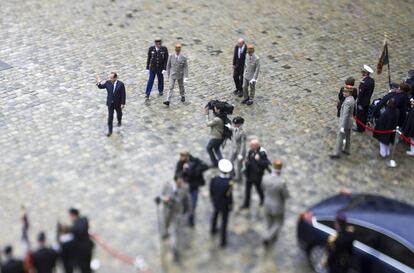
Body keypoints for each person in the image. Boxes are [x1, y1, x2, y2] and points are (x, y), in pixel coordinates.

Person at [160, 176, 191, 262]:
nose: (180, 184)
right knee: (166, 223)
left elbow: (187, 199)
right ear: (175, 181)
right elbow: (161, 195)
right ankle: (165, 232)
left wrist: (188, 211)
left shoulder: (185, 188)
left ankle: (176, 249)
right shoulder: (167, 186)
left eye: (181, 182)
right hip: (167, 211)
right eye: (179, 182)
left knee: (177, 231)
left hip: (177, 212)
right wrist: (164, 199)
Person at [175, 151, 209, 227]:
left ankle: (191, 220)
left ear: (187, 156)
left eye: (182, 156)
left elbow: (205, 166)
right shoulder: (180, 163)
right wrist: (182, 172)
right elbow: (177, 173)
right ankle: (184, 212)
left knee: (193, 205)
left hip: (194, 187)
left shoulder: (195, 161)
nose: (180, 158)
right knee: (184, 203)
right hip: (184, 188)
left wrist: (192, 169)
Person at [262, 160, 289, 247]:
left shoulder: (265, 178)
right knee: (278, 222)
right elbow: (285, 195)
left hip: (267, 203)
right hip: (277, 206)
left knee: (269, 221)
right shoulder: (281, 182)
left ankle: (271, 234)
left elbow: (263, 188)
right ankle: (268, 237)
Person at [60, 208, 94, 273]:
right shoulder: (77, 223)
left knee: (85, 269)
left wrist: (68, 229)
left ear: (73, 215)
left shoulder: (82, 221)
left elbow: (78, 230)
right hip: (80, 252)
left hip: (84, 251)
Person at [210, 159, 234, 247]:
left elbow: (211, 191)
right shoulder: (229, 183)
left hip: (216, 201)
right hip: (224, 205)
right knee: (224, 221)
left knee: (215, 215)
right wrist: (231, 205)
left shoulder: (214, 179)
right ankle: (223, 240)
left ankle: (212, 229)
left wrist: (213, 199)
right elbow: (229, 196)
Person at [241, 139, 270, 209]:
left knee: (259, 189)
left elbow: (266, 164)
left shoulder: (262, 153)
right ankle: (246, 204)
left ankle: (263, 199)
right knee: (247, 191)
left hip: (257, 176)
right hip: (249, 174)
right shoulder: (251, 151)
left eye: (251, 145)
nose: (250, 146)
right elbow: (249, 159)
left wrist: (259, 160)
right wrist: (246, 162)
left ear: (256, 146)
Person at [96, 72, 126, 137]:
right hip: (110, 103)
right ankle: (110, 131)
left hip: (118, 103)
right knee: (110, 117)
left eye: (111, 78)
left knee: (119, 114)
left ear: (115, 78)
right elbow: (101, 87)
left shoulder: (121, 84)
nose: (110, 79)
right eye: (110, 77)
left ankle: (119, 121)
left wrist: (123, 103)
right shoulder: (108, 83)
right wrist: (98, 82)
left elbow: (123, 94)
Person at [330, 87, 355, 159]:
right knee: (348, 136)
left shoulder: (347, 102)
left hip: (345, 123)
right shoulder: (352, 98)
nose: (343, 93)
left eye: (345, 92)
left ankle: (337, 153)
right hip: (350, 121)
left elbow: (345, 115)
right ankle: (347, 149)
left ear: (349, 93)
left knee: (340, 137)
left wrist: (342, 126)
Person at [354, 65, 375, 132]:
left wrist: (358, 101)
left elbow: (360, 94)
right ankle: (363, 126)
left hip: (362, 102)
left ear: (366, 73)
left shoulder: (363, 83)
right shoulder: (372, 80)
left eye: (363, 72)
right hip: (367, 100)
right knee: (365, 115)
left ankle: (359, 128)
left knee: (360, 116)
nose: (361, 73)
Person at [205, 103, 225, 167]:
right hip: (221, 137)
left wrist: (206, 114)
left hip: (216, 137)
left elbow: (208, 124)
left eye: (215, 108)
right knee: (216, 149)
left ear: (218, 110)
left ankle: (215, 163)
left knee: (209, 148)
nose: (214, 108)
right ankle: (221, 162)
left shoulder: (217, 119)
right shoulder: (223, 115)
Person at [228, 116, 247, 182]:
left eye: (236, 124)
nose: (234, 125)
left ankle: (238, 177)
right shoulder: (235, 128)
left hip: (239, 151)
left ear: (240, 124)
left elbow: (243, 144)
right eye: (234, 123)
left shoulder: (242, 132)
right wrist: (230, 127)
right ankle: (231, 174)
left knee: (239, 165)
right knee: (230, 161)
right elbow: (233, 129)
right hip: (233, 148)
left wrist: (241, 154)